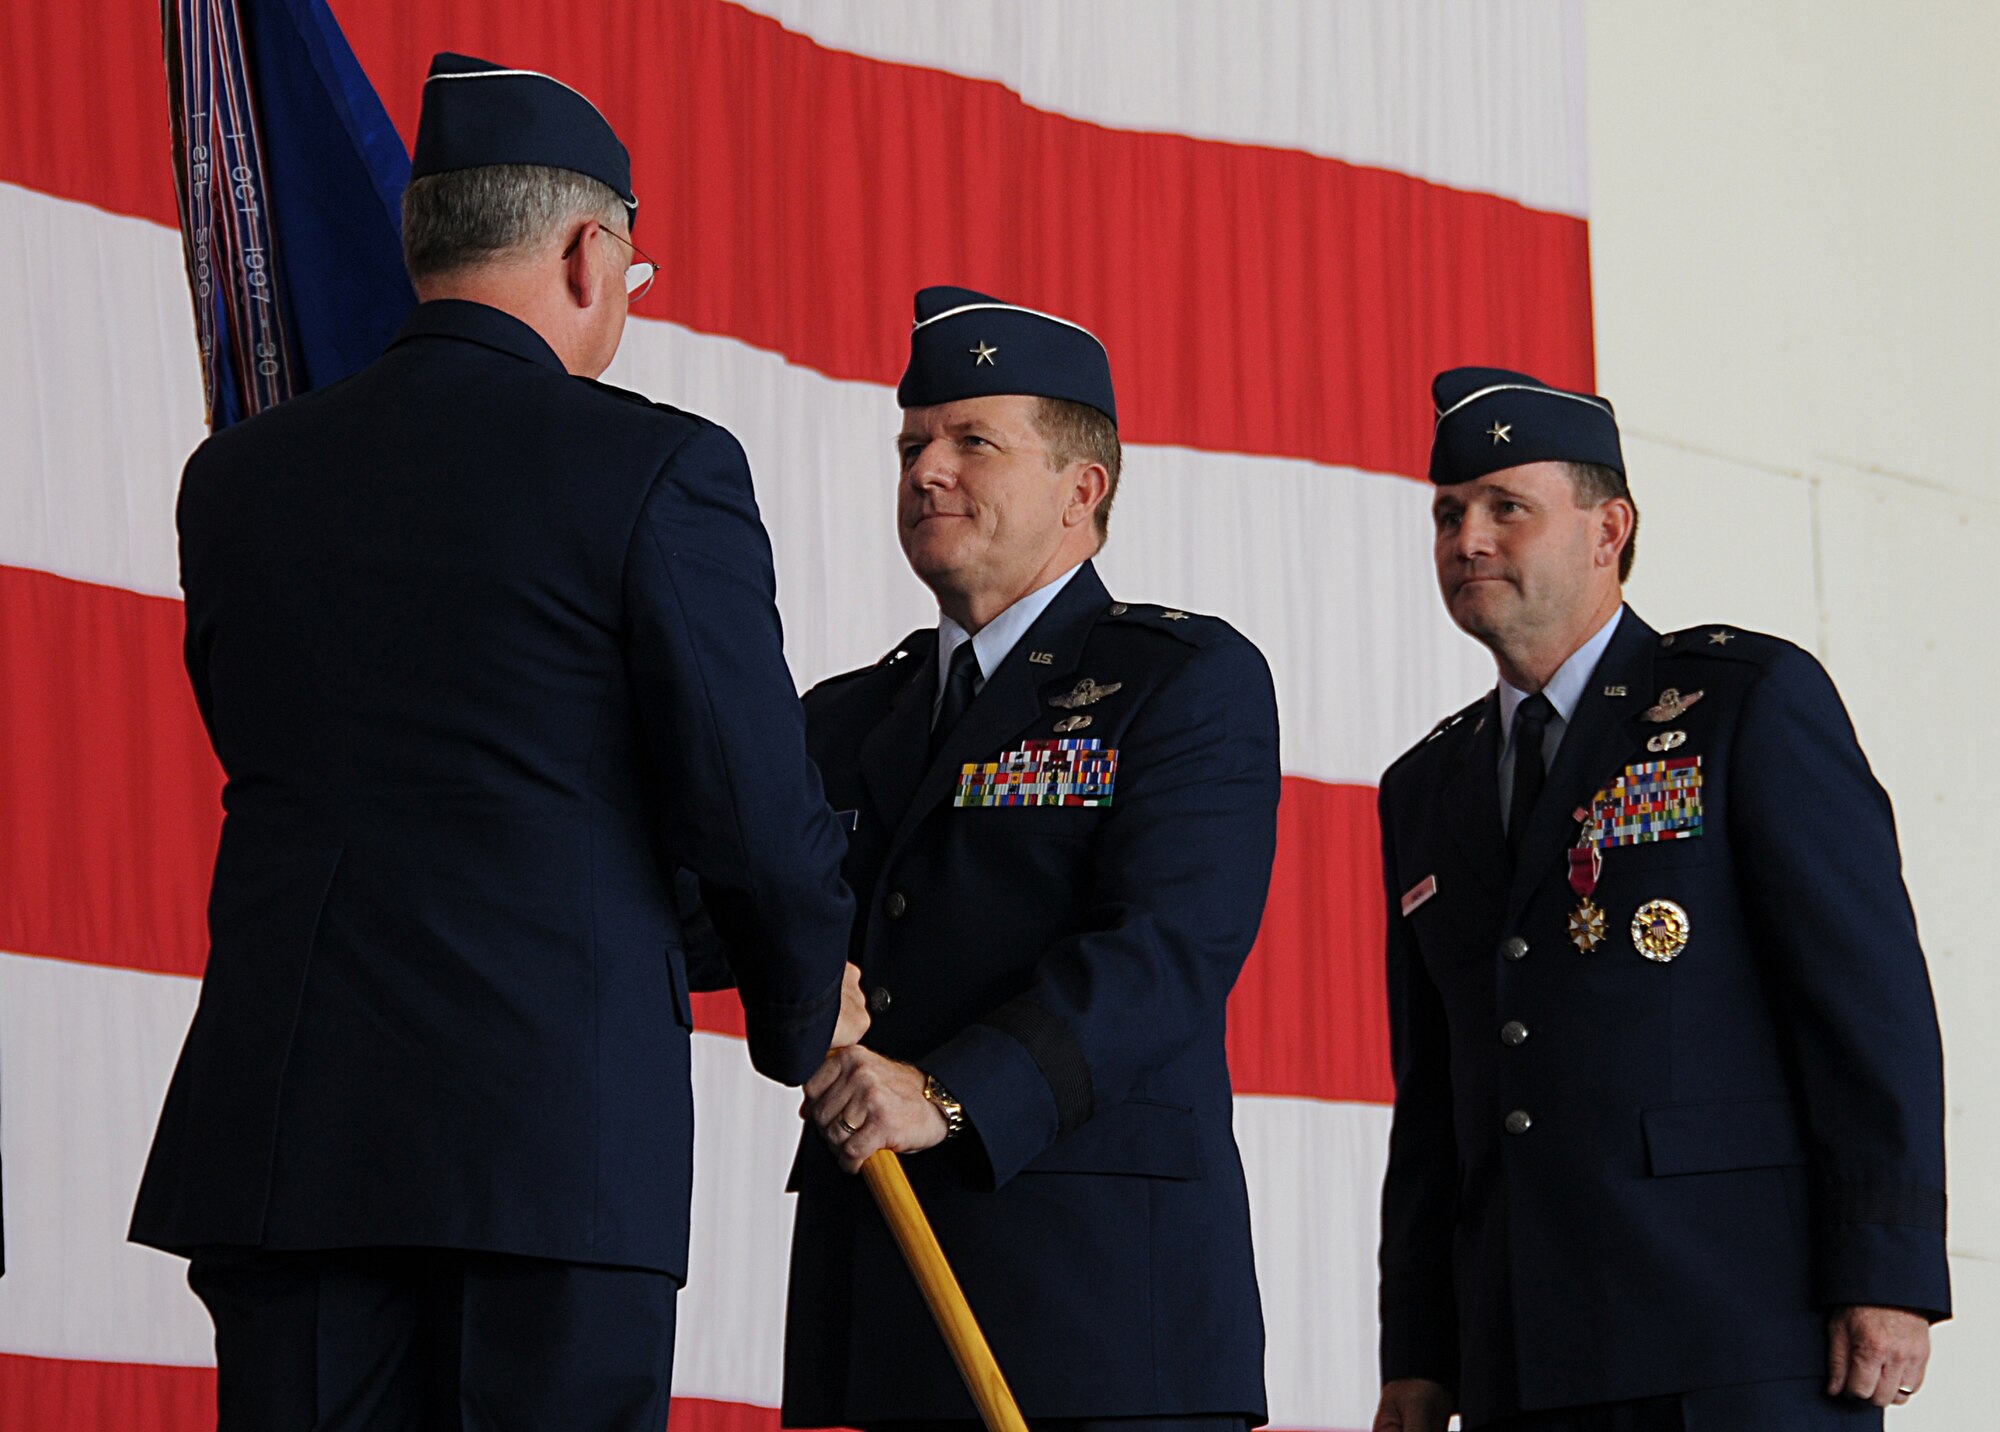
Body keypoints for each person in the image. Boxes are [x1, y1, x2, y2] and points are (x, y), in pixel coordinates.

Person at [129, 52, 862, 1431]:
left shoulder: (235, 481)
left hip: (295, 1140)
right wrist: (806, 1000)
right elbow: (751, 814)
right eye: (637, 279)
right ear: (592, 252)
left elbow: (275, 742)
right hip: (550, 1144)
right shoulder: (659, 468)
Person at [1371, 367, 1951, 1432]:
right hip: (1521, 1348)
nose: (1466, 540)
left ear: (1608, 528)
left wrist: (1887, 1266)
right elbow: (1437, 1094)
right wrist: (1418, 1350)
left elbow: (1864, 1006)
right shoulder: (1426, 784)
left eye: (1508, 507)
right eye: (1449, 513)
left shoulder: (1742, 702)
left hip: (1734, 1332)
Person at [776, 286, 1279, 1429]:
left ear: (1079, 488)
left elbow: (1162, 953)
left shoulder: (1179, 681)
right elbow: (725, 912)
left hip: (1099, 1308)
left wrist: (949, 1091)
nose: (925, 470)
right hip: (888, 1294)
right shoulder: (847, 716)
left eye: (971, 442)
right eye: (912, 443)